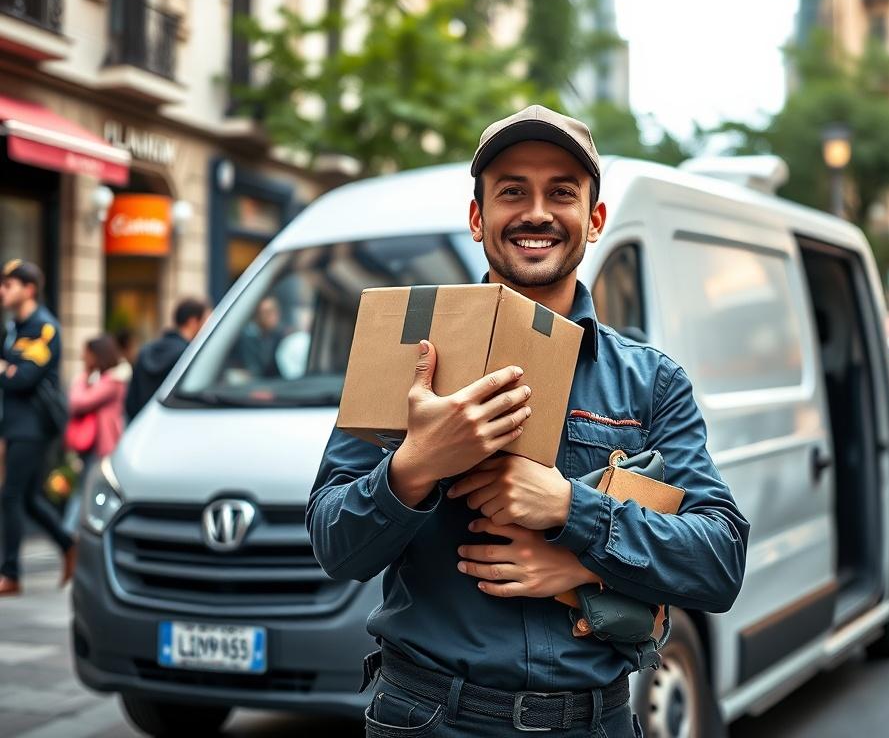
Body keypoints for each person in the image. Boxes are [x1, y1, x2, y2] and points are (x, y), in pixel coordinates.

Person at [307, 106, 750, 735]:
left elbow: (720, 561)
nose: (537, 211)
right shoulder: (402, 354)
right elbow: (333, 545)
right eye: (511, 190)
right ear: (477, 217)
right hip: (429, 717)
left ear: (594, 219)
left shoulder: (652, 382)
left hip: (593, 721)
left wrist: (574, 518)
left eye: (562, 192)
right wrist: (418, 464)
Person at [0, 259, 76, 597]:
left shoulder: (44, 327)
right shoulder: (14, 329)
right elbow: (12, 376)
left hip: (33, 425)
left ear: (28, 289)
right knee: (28, 499)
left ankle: (11, 574)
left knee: (11, 495)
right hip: (14, 424)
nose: (2, 291)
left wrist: (9, 371)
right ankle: (68, 543)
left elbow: (24, 379)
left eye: (8, 285)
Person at [64, 334, 127, 531]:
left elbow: (78, 402)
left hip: (104, 448)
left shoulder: (112, 382)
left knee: (88, 492)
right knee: (86, 491)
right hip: (92, 447)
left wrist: (81, 378)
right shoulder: (101, 380)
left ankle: (71, 532)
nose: (83, 358)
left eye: (87, 354)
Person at [125, 298, 208, 422]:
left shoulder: (146, 350)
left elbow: (131, 401)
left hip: (145, 426)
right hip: (174, 427)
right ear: (193, 322)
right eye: (205, 321)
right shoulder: (189, 356)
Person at [236, 296, 285, 378]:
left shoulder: (282, 335)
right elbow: (254, 370)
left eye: (274, 311)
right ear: (257, 316)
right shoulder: (249, 338)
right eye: (266, 312)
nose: (271, 316)